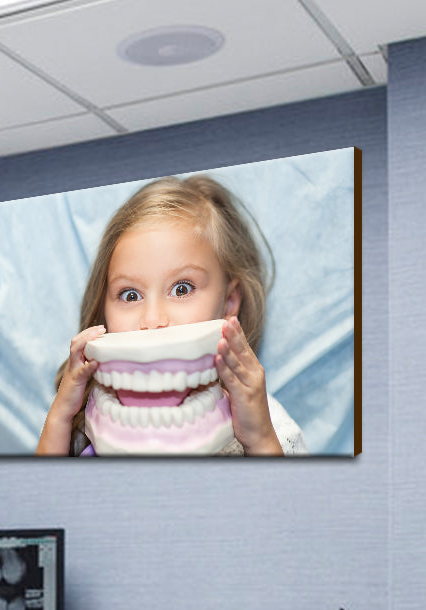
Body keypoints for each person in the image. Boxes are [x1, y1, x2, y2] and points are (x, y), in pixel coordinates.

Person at [35, 174, 306, 456]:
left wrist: (260, 439)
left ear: (229, 303)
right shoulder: (83, 419)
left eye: (182, 289)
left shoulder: (269, 427)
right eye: (130, 295)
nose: (153, 320)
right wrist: (60, 418)